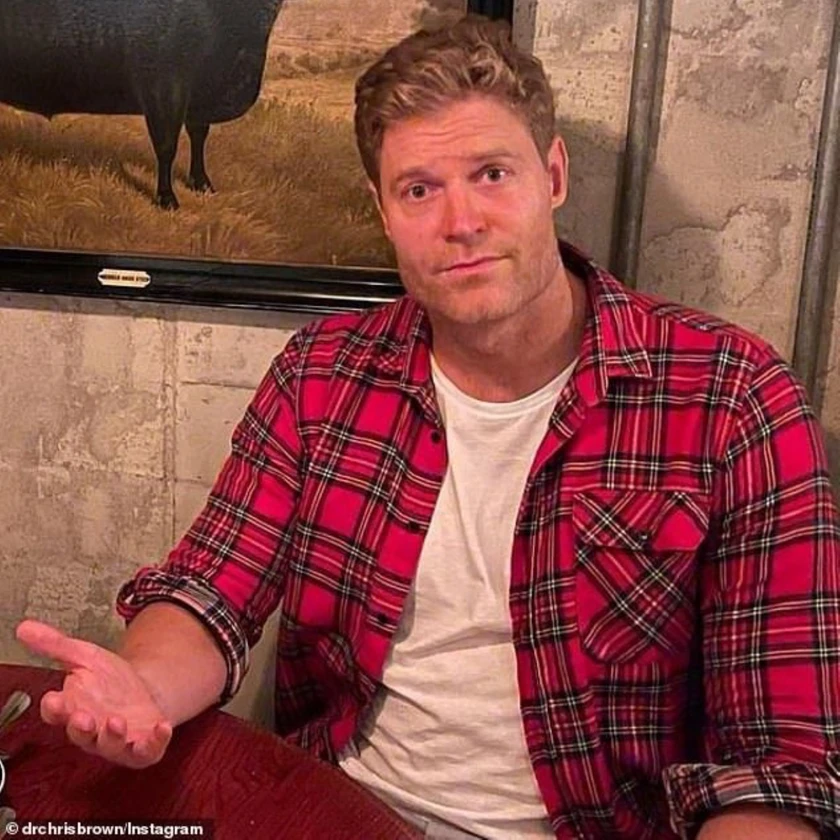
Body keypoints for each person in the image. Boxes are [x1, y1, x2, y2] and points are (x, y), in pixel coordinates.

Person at [14, 15, 840, 840]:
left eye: (491, 174)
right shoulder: (322, 375)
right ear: (382, 211)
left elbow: (778, 762)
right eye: (419, 190)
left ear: (553, 175)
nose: (461, 222)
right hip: (338, 814)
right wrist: (148, 689)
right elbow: (212, 586)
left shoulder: (733, 396)